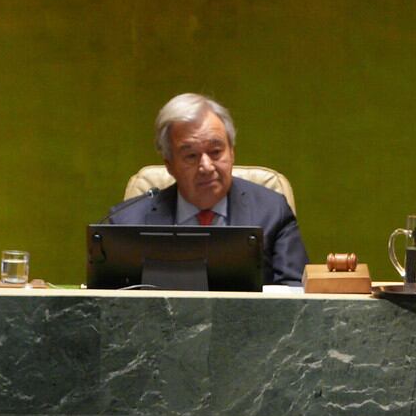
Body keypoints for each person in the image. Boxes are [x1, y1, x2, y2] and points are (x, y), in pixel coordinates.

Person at [104, 93, 308, 286]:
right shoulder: (126, 223)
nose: (206, 167)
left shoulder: (272, 212)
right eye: (191, 156)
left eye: (216, 152)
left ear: (232, 153)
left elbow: (296, 296)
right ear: (169, 165)